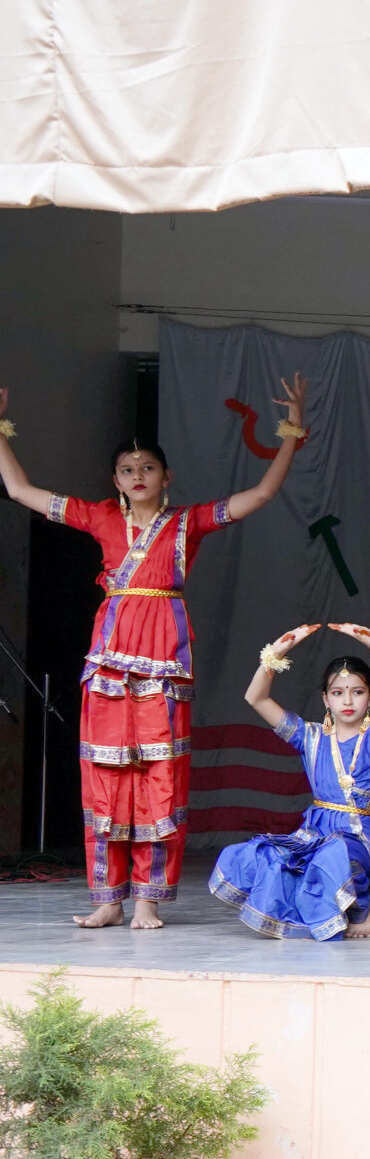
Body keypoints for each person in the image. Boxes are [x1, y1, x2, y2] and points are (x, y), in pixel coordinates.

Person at [0, 378, 312, 928]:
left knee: (159, 777)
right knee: (106, 774)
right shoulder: (99, 516)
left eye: (147, 467)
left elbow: (261, 495)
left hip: (164, 652)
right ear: (115, 481)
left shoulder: (188, 522)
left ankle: (147, 898)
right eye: (127, 469)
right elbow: (21, 490)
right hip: (110, 654)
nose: (137, 475)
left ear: (166, 477)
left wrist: (291, 431)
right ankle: (107, 899)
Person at [209, 622, 370, 940]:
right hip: (315, 831)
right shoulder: (309, 736)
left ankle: (361, 909)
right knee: (262, 854)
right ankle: (316, 911)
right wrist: (275, 655)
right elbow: (256, 698)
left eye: (357, 692)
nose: (348, 701)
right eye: (338, 693)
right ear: (326, 699)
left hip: (359, 835)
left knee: (335, 853)